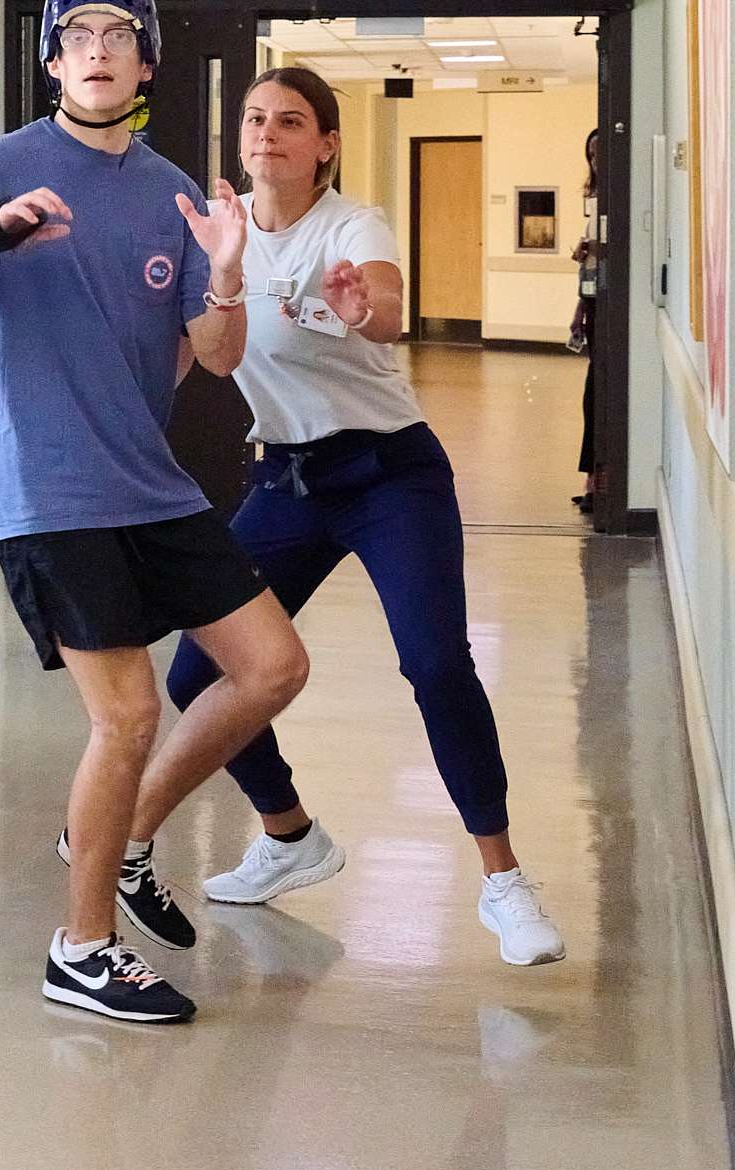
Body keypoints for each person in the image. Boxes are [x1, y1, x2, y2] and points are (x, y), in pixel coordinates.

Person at [0, 0, 310, 1025]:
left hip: (148, 482)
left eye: (119, 34)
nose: (98, 49)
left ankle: (118, 835)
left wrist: (228, 268)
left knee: (273, 665)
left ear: (145, 61)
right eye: (78, 35)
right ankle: (81, 945)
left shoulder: (171, 194)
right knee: (125, 713)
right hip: (49, 487)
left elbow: (212, 353)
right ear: (54, 60)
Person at [160, 66, 566, 967]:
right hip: (286, 482)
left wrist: (362, 308)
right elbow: (212, 357)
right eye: (257, 119)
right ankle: (288, 832)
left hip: (389, 473)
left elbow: (384, 308)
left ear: (326, 145)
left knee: (434, 659)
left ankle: (503, 881)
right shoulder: (218, 239)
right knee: (196, 676)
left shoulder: (353, 224)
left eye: (292, 122)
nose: (269, 134)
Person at [571, 128, 602, 511]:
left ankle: (598, 480)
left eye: (600, 154)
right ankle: (592, 478)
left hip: (605, 310)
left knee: (596, 396)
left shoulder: (618, 197)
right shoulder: (595, 201)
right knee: (590, 398)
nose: (596, 162)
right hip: (592, 305)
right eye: (591, 155)